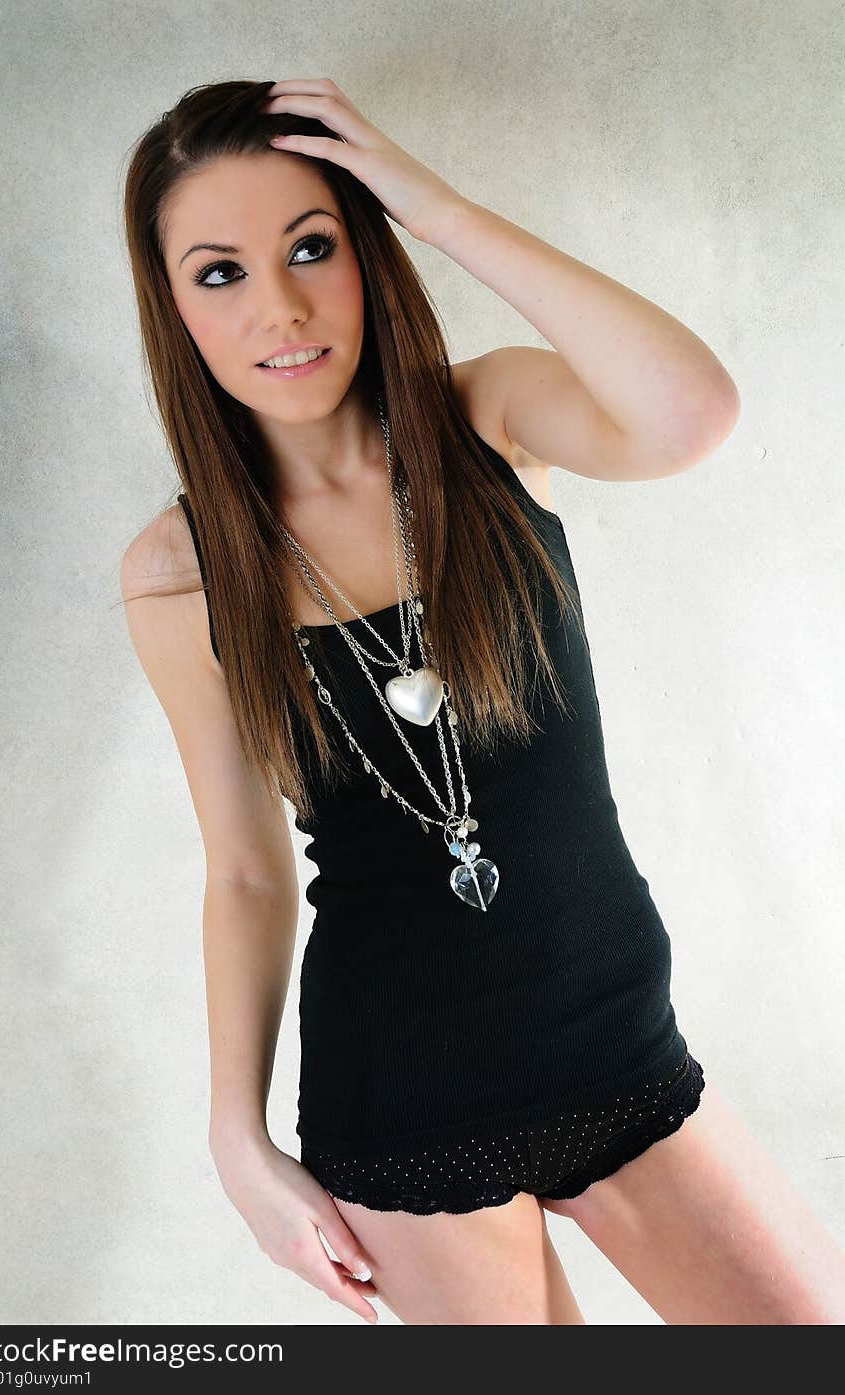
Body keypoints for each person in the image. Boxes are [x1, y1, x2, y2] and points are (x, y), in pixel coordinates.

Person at [119, 77, 845, 1325]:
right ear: (174, 308)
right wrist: (238, 1147)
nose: (281, 307)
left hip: (618, 1044)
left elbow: (692, 413)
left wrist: (435, 204)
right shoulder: (180, 572)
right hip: (401, 1108)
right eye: (220, 273)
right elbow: (243, 872)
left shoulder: (486, 418)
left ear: (367, 247)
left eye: (313, 246)